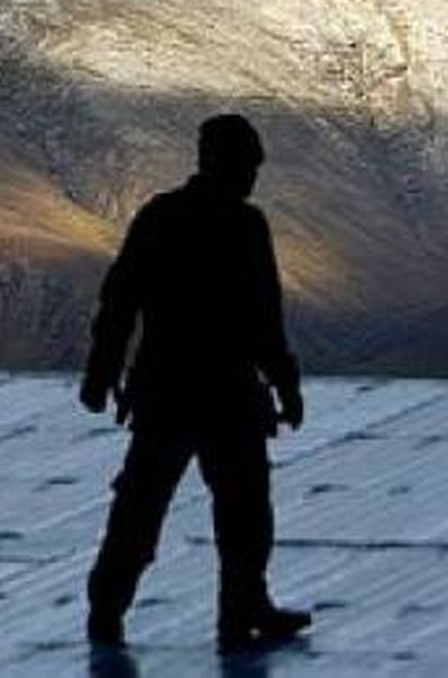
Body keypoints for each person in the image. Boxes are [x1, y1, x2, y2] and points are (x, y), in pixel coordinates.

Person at [81, 113, 311, 652]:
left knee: (152, 508)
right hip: (218, 395)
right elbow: (263, 320)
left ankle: (111, 610)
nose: (252, 175)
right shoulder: (242, 226)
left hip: (172, 391)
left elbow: (120, 302)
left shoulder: (163, 217)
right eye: (248, 164)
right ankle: (239, 613)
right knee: (233, 511)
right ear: (225, 162)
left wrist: (102, 374)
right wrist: (285, 384)